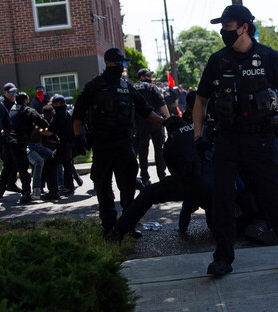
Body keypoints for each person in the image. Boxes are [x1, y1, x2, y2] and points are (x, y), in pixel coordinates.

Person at [193, 4, 278, 276]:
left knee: (276, 196)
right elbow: (200, 100)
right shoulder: (217, 60)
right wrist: (198, 136)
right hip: (227, 140)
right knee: (223, 200)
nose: (224, 31)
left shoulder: (269, 57)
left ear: (244, 27)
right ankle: (223, 258)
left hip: (262, 140)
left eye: (228, 26)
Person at [72, 48, 165, 235]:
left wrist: (165, 122)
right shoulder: (94, 86)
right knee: (103, 187)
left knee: (128, 186)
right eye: (120, 63)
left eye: (124, 63)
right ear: (108, 63)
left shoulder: (127, 87)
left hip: (124, 144)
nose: (122, 67)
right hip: (102, 145)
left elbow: (145, 110)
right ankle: (108, 226)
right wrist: (77, 137)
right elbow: (78, 114)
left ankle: (127, 225)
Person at [107, 115, 213, 242]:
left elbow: (174, 172)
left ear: (168, 130)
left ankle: (117, 231)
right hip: (215, 181)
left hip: (191, 181)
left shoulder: (172, 141)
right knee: (213, 213)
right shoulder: (201, 128)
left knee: (148, 193)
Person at [0, 91, 49, 204]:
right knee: (23, 169)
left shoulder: (11, 109)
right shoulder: (28, 110)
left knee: (7, 166)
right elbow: (42, 123)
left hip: (6, 142)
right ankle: (26, 193)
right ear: (25, 100)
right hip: (18, 142)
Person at [133, 68, 170, 185]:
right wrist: (168, 119)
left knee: (142, 152)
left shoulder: (132, 88)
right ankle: (162, 176)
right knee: (159, 150)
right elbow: (162, 104)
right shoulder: (152, 87)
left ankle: (144, 177)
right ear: (141, 77)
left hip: (140, 124)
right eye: (147, 76)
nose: (150, 78)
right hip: (155, 121)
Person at [0, 82, 22, 196]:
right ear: (4, 92)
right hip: (4, 138)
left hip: (13, 136)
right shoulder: (1, 103)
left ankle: (11, 183)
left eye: (14, 91)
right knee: (8, 163)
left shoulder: (13, 102)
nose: (13, 94)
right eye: (11, 92)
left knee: (13, 162)